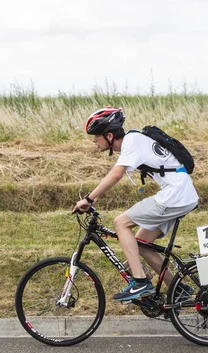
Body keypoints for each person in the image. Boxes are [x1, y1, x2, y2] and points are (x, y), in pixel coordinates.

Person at [72, 107, 199, 301]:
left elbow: (116, 174)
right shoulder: (134, 140)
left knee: (121, 223)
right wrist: (94, 199)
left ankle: (140, 282)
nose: (94, 142)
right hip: (180, 195)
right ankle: (178, 290)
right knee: (141, 244)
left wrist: (89, 198)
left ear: (109, 135)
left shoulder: (132, 141)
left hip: (175, 195)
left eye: (96, 138)